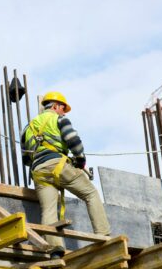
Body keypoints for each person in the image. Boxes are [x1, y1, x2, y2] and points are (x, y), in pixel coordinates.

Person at [21, 91, 111, 258]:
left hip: (39, 171)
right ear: (55, 106)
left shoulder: (28, 127)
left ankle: (55, 250)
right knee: (91, 194)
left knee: (48, 210)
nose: (64, 112)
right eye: (63, 108)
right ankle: (103, 236)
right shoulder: (59, 119)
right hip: (58, 165)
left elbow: (26, 158)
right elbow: (74, 141)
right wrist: (80, 159)